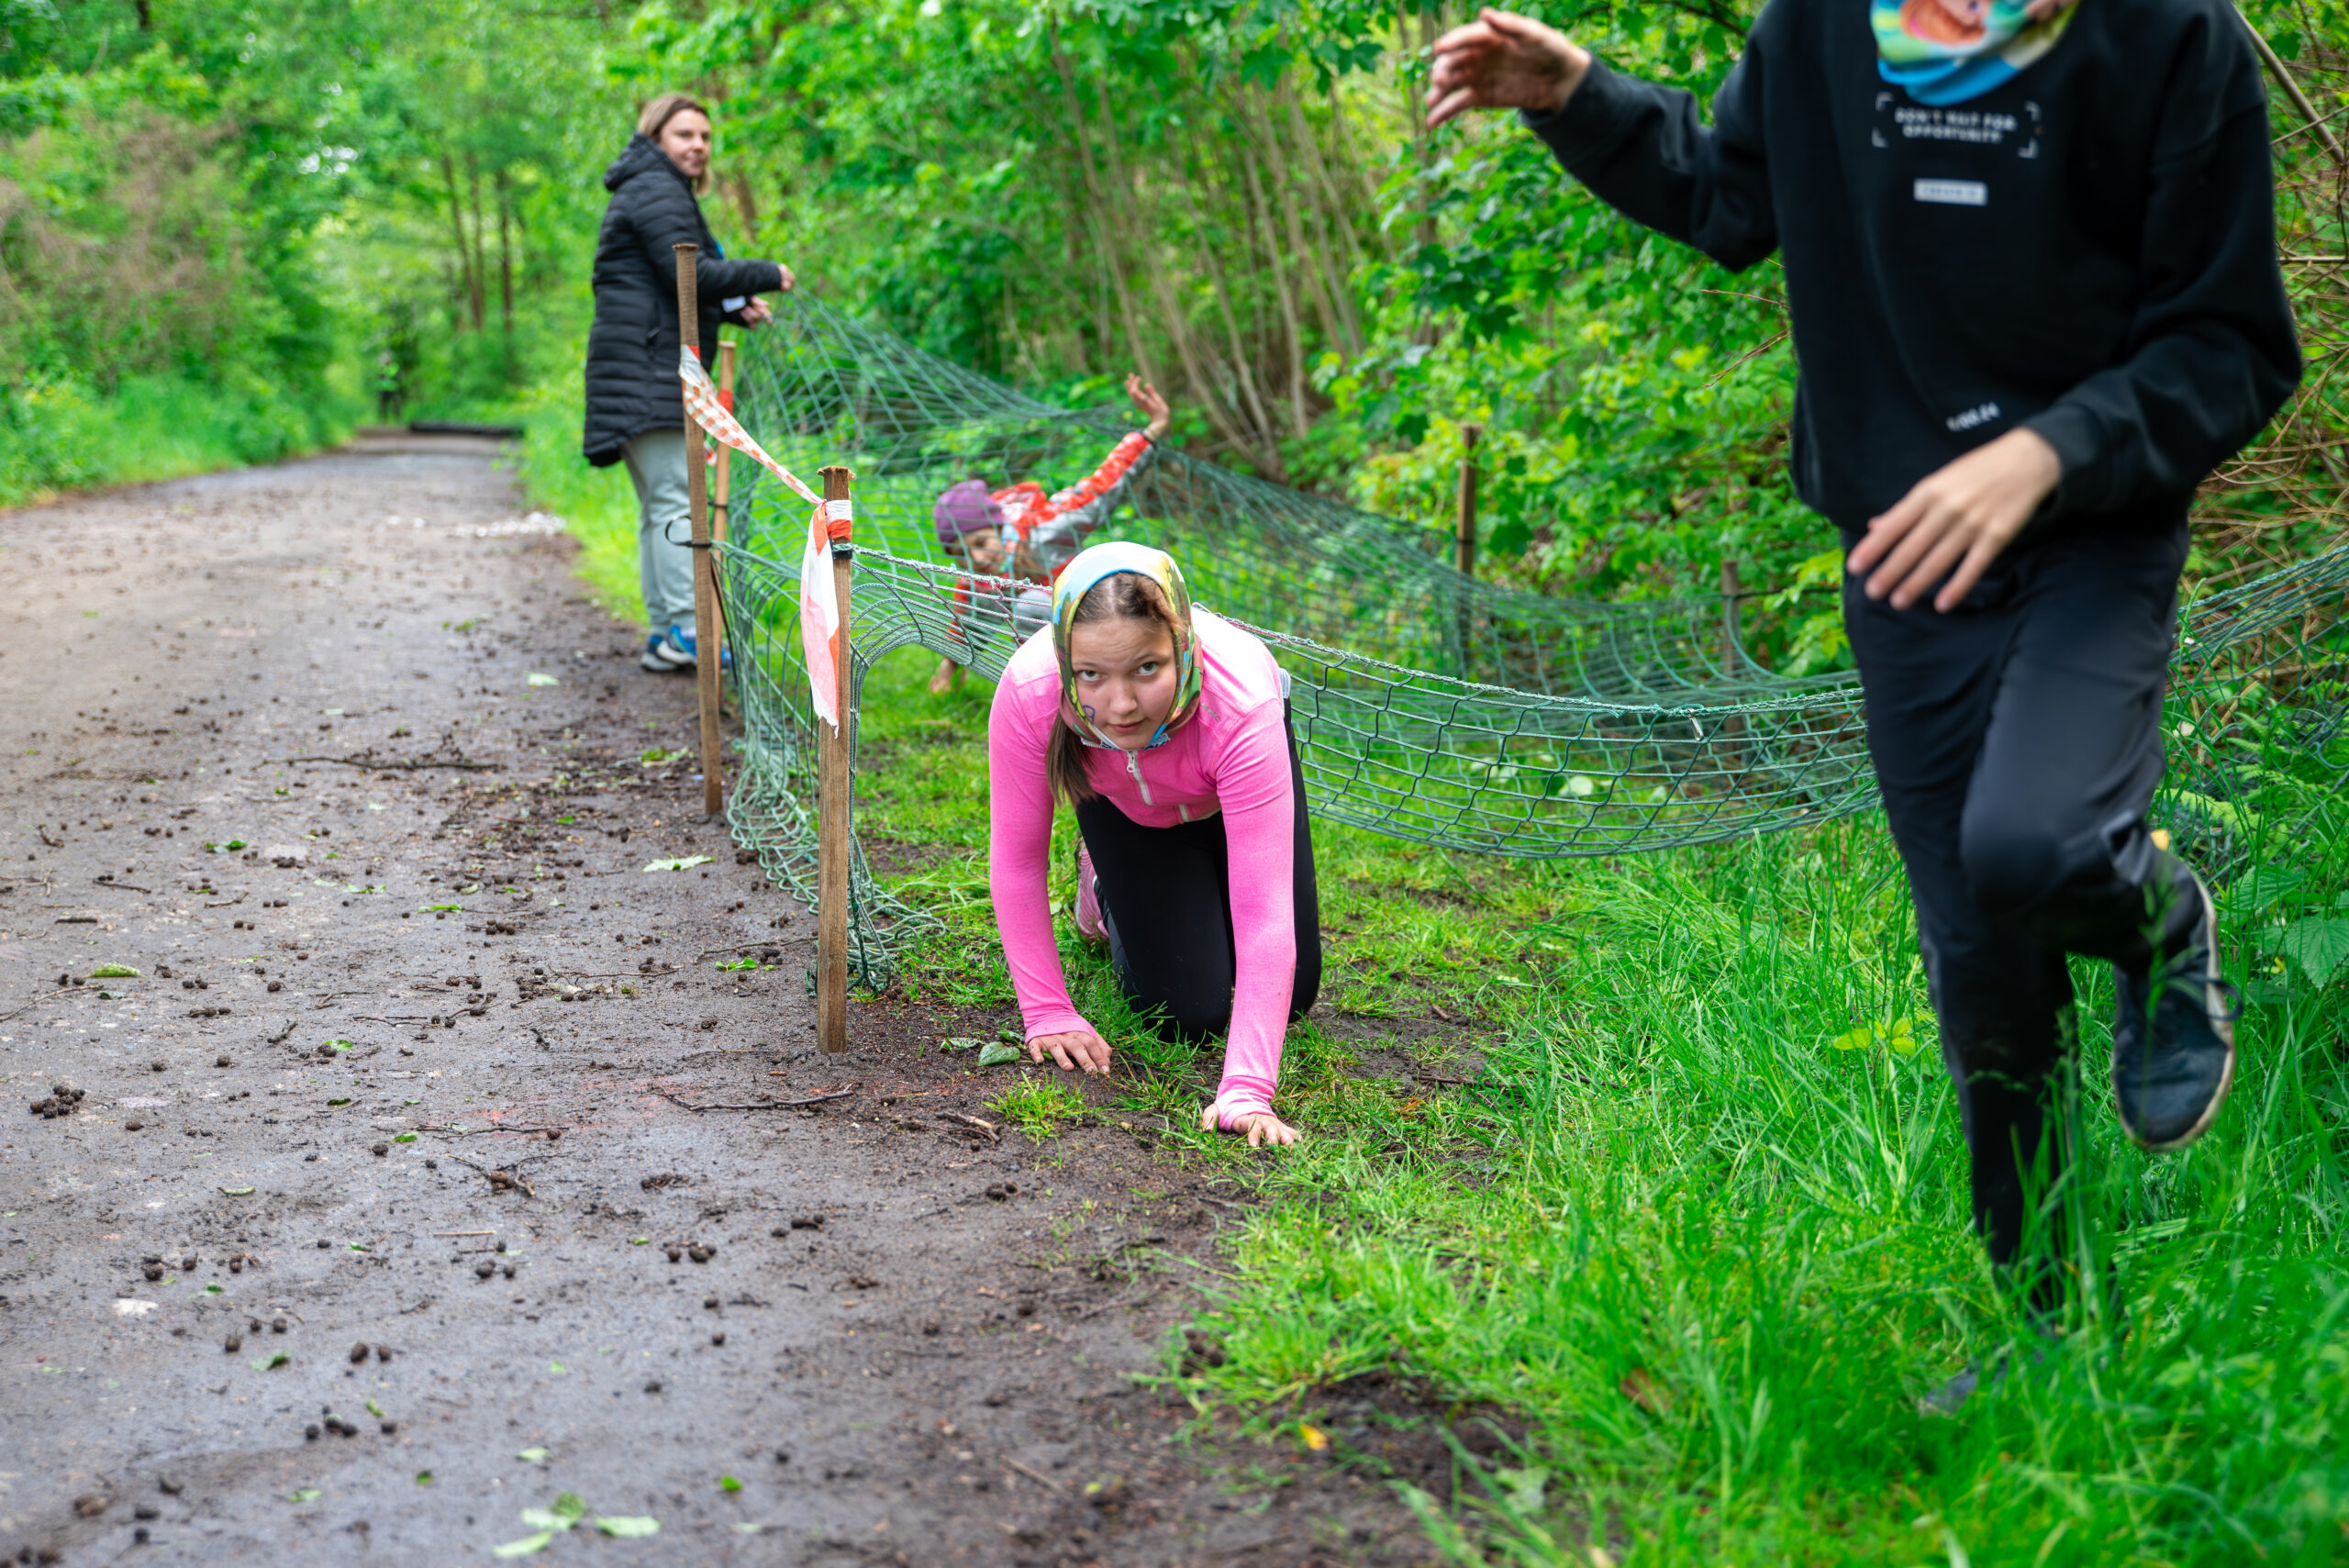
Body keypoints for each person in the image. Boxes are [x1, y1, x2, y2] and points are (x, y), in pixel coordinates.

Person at [1427, 2, 2299, 1400]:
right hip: (1902, 551)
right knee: (1980, 961)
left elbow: (2231, 345)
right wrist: (1577, 94)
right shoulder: (1826, 26)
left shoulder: (2167, 36)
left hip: (2095, 533)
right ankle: (2047, 1325)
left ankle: (2158, 921)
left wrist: (2047, 453)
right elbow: (1726, 194)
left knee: (2037, 848)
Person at [988, 542, 1322, 1146]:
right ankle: (1102, 884)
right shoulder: (1031, 691)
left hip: (1227, 800)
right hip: (1127, 813)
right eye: (1091, 674)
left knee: (1294, 995)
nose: (1120, 705)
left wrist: (1246, 1089)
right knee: (1186, 1012)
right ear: (1065, 662)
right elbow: (1016, 862)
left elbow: (1266, 913)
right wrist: (1047, 1010)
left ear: (1182, 646)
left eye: (1146, 668)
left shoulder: (1241, 699)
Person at [583, 92, 795, 674]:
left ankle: (666, 633)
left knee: (662, 504)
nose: (698, 146)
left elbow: (668, 287)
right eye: (684, 135)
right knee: (678, 500)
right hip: (647, 376)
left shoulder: (650, 186)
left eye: (704, 136)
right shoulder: (656, 188)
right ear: (655, 138)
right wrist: (767, 273)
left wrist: (731, 307)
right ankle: (685, 628)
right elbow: (689, 271)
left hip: (638, 371)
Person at [930, 376, 1173, 695]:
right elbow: (969, 618)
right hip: (1056, 655)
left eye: (980, 543)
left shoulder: (1044, 528)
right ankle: (1049, 692)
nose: (976, 558)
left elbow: (1102, 485)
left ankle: (1074, 688)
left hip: (1099, 624)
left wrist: (1155, 427)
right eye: (962, 555)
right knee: (1010, 602)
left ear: (999, 528)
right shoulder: (980, 579)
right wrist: (949, 669)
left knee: (1031, 603)